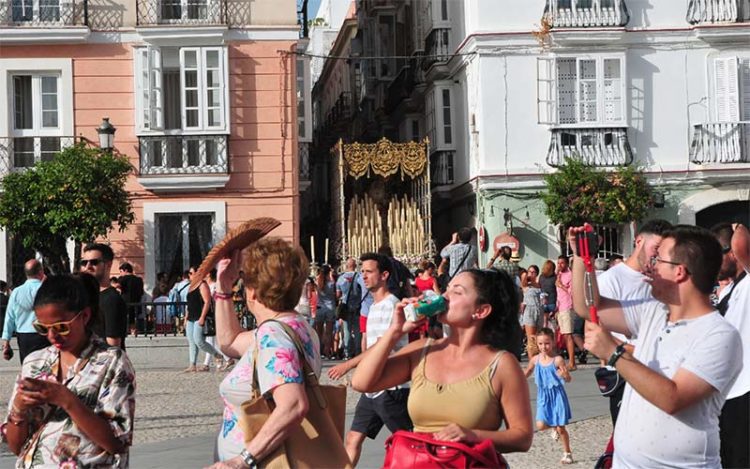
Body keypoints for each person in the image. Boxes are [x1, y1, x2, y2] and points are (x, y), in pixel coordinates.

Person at [570, 224, 742, 468]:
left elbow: (673, 398)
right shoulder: (653, 311)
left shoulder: (719, 335)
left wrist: (613, 352)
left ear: (680, 272)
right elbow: (586, 307)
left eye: (658, 260)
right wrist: (581, 257)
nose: (650, 267)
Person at [351, 267, 533, 463]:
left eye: (457, 292)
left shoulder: (502, 364)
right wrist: (395, 332)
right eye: (446, 289)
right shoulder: (422, 351)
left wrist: (473, 435)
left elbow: (522, 437)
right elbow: (362, 382)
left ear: (481, 311)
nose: (444, 296)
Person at [208, 238, 322, 467]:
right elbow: (229, 341)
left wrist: (243, 460)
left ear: (251, 292)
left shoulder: (273, 335)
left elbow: (294, 405)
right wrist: (224, 289)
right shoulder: (293, 326)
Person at [1, 274, 135, 467]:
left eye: (61, 327)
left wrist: (66, 399)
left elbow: (117, 442)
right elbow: (17, 447)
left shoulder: (111, 362)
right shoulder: (34, 362)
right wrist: (18, 411)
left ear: (85, 316)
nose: (52, 336)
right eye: (42, 328)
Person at [328, 253, 413, 466]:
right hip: (372, 388)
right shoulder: (374, 306)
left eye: (369, 272)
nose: (363, 276)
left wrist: (349, 364)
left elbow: (382, 346)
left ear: (384, 275)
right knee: (352, 438)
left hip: (391, 389)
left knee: (409, 442)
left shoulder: (392, 306)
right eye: (362, 272)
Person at [596, 218, 672, 425]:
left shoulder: (666, 282)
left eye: (664, 251)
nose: (657, 255)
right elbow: (597, 330)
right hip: (625, 372)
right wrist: (637, 350)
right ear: (639, 241)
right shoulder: (611, 280)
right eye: (656, 248)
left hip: (662, 372)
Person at [712, 222, 750, 469]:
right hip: (726, 394)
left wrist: (738, 224)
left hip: (746, 392)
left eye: (716, 254)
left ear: (732, 254)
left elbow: (741, 242)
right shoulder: (727, 292)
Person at [524, 327, 573, 464]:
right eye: (540, 344)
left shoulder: (557, 360)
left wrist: (565, 375)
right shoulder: (535, 360)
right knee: (540, 425)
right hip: (543, 396)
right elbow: (527, 371)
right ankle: (553, 428)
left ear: (552, 343)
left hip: (557, 395)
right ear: (537, 344)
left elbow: (568, 379)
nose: (543, 347)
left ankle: (567, 452)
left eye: (547, 343)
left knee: (561, 427)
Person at [81, 244, 128, 349]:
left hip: (103, 363)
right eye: (84, 263)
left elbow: (113, 347)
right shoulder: (83, 297)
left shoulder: (111, 300)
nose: (88, 267)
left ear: (108, 265)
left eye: (94, 262)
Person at [2, 260, 47, 363]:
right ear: (41, 271)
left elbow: (10, 317)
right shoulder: (46, 289)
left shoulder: (16, 292)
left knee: (28, 365)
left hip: (24, 336)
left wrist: (6, 341)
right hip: (44, 334)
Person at [184, 266, 224, 373]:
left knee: (199, 341)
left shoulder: (202, 285)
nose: (190, 275)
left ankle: (217, 354)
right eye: (189, 273)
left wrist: (202, 317)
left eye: (192, 273)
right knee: (191, 341)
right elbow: (189, 304)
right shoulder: (190, 286)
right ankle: (192, 364)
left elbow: (207, 302)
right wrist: (186, 317)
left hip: (199, 317)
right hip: (191, 317)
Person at [336, 257, 360, 359]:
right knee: (357, 330)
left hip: (346, 306)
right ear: (355, 266)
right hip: (358, 305)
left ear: (346, 265)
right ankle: (358, 352)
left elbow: (338, 294)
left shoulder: (341, 278)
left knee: (347, 331)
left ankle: (347, 353)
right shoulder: (359, 276)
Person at [521, 264, 544, 358]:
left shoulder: (538, 284)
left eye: (533, 272)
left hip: (539, 309)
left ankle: (538, 357)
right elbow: (524, 282)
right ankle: (532, 360)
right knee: (531, 338)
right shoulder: (526, 284)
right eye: (530, 271)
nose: (531, 274)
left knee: (538, 336)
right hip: (530, 310)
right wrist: (527, 276)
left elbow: (539, 287)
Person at [314, 264, 336, 358]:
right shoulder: (331, 283)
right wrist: (331, 275)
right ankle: (327, 350)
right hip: (330, 308)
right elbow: (334, 289)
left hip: (320, 307)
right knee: (329, 331)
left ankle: (319, 350)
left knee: (319, 332)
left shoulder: (318, 282)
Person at [118, 262, 144, 336]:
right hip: (136, 304)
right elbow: (141, 292)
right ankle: (134, 333)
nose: (120, 274)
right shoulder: (139, 280)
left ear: (125, 270)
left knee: (125, 320)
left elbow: (117, 286)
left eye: (121, 272)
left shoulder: (122, 279)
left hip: (125, 304)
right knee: (133, 321)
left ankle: (126, 333)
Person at [539, 260, 557, 328]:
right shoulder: (555, 277)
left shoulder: (541, 277)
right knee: (554, 323)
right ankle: (555, 336)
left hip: (543, 301)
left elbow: (540, 287)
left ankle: (544, 333)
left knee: (544, 322)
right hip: (552, 302)